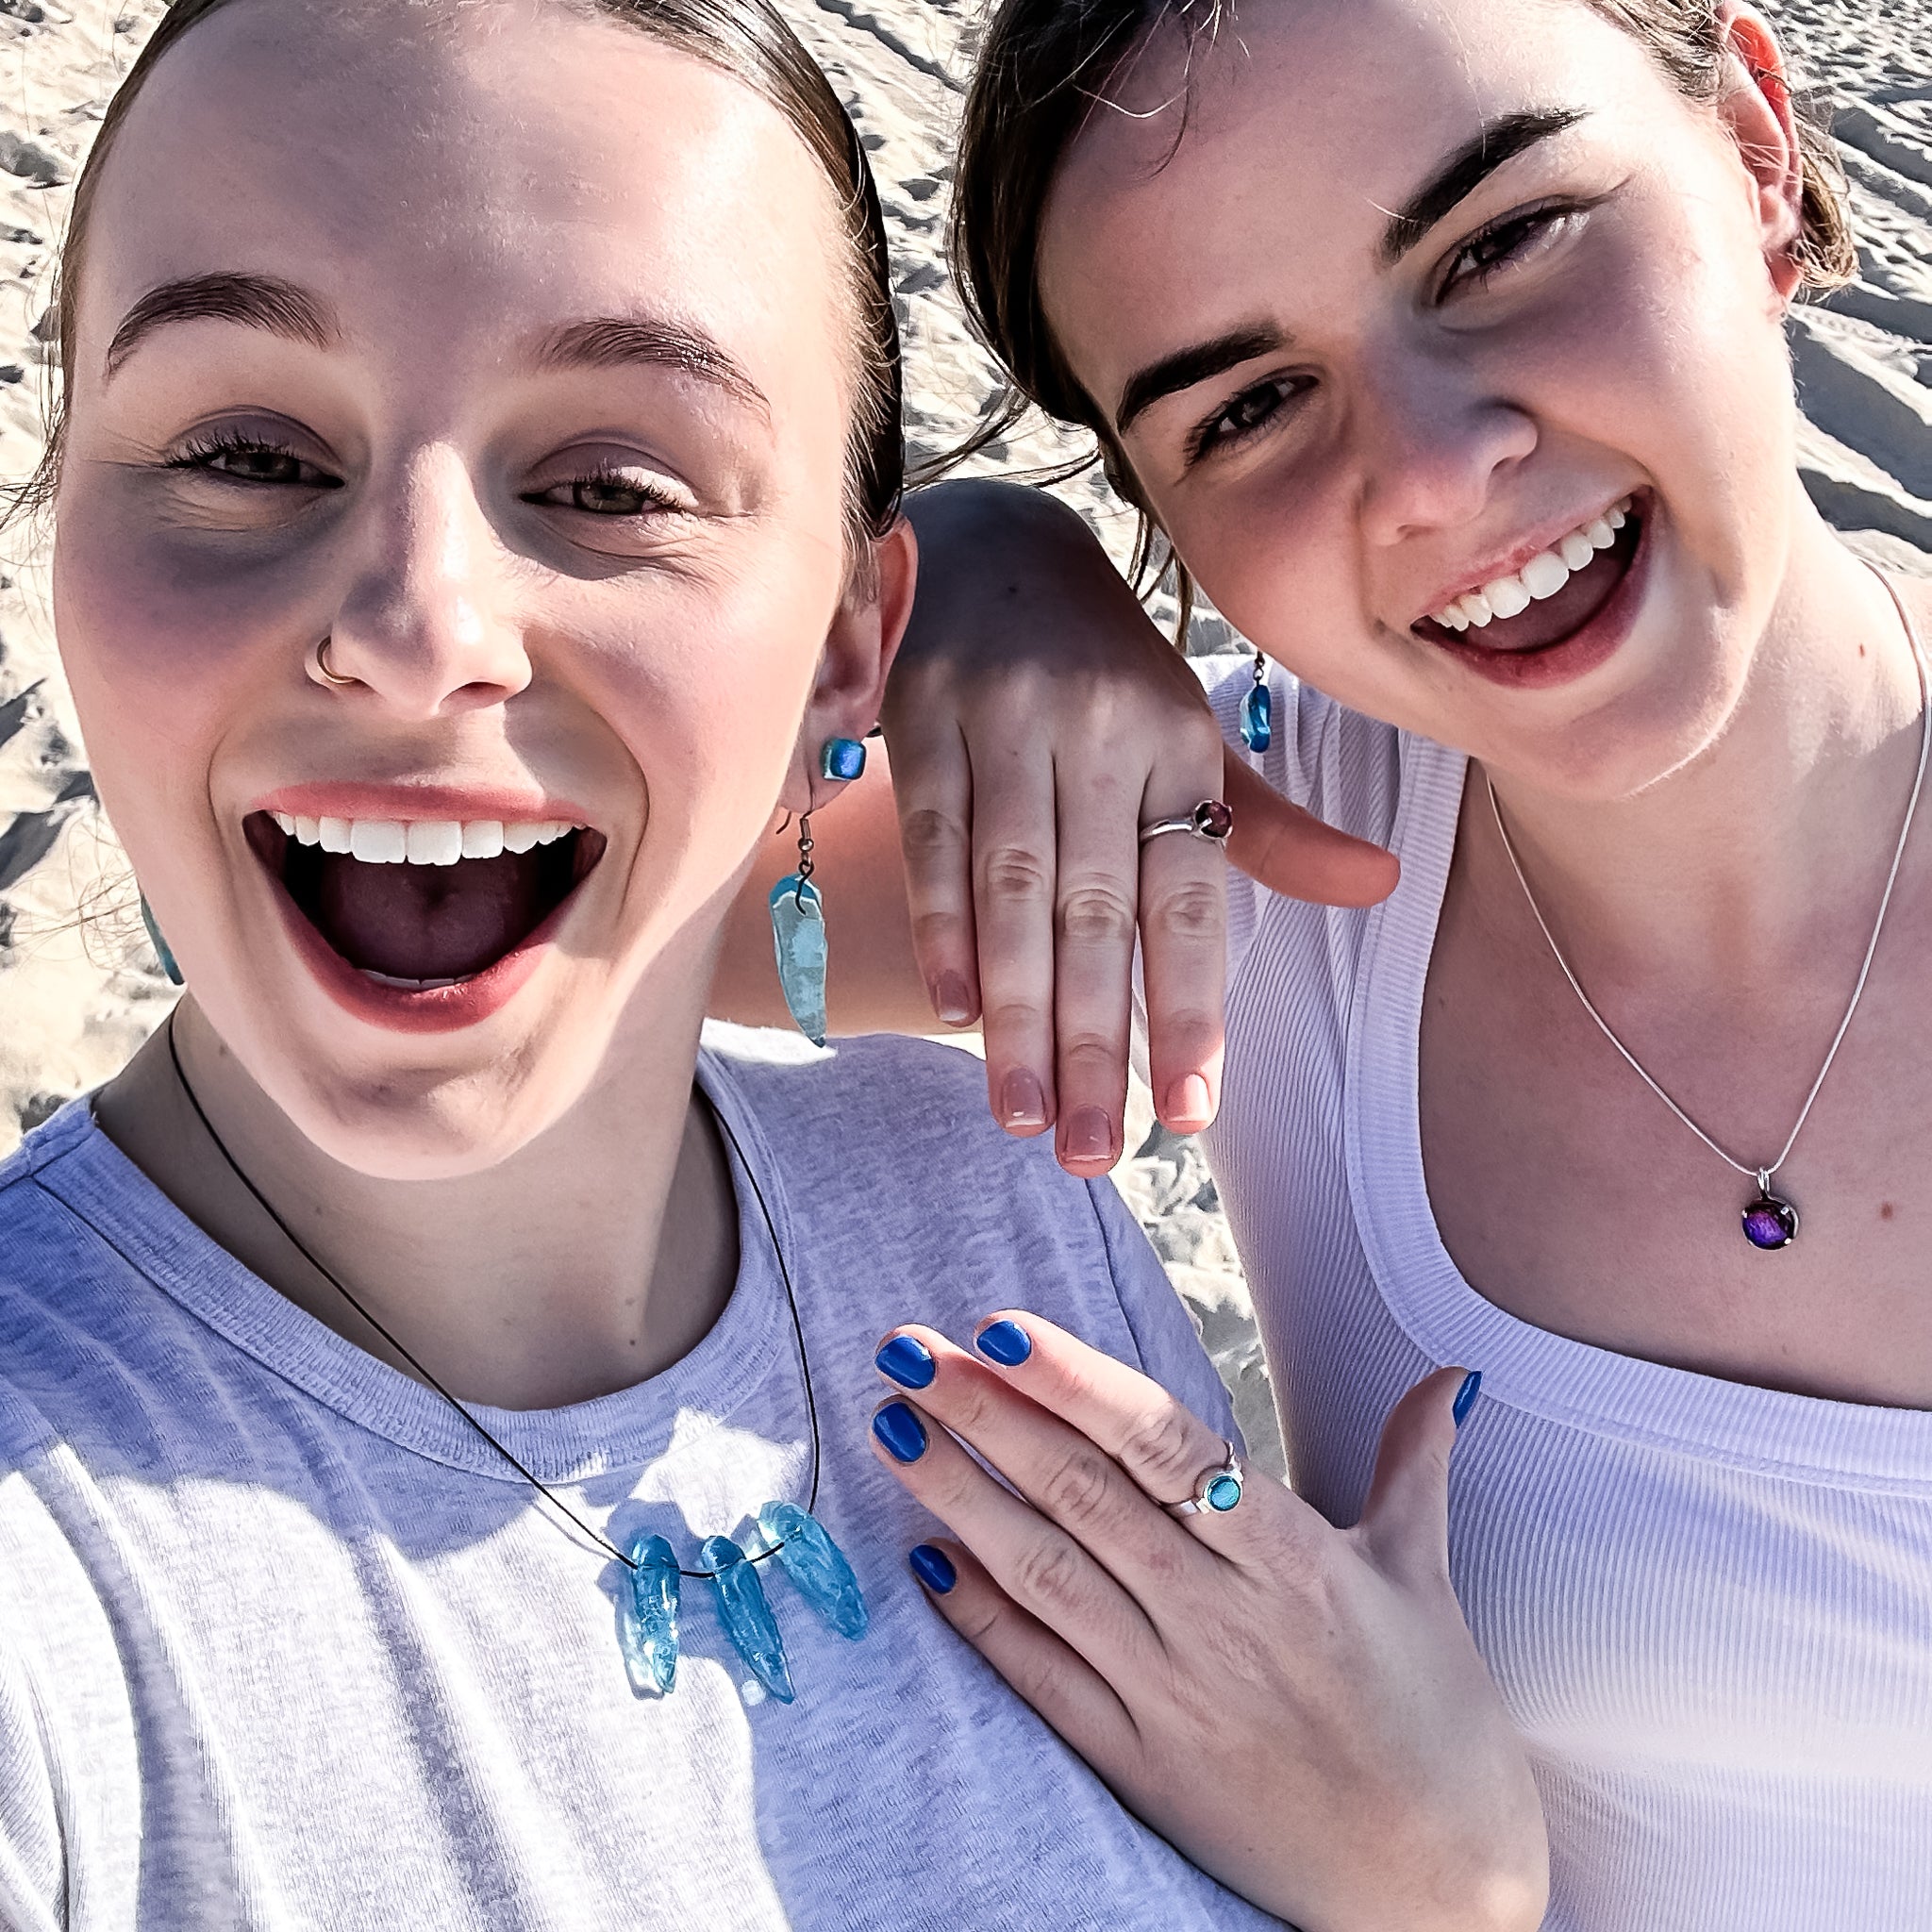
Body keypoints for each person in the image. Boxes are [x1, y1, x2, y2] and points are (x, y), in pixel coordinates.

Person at [0, 0, 1542, 1925]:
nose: (413, 628)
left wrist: (1432, 1871)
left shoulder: (978, 1179)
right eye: (246, 447)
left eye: (610, 485)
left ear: (845, 640)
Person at [711, 0, 1932, 1926]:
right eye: (1243, 407)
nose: (1436, 473)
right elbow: (645, 905)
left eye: (1500, 240)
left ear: (1756, 149)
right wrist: (964, 579)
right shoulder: (1235, 853)